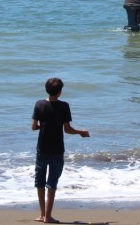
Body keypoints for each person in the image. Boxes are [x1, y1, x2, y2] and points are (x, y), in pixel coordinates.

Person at [31, 77, 90, 223]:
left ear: (46, 89)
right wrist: (81, 132)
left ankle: (42, 215)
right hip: (57, 149)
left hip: (42, 149)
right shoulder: (64, 106)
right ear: (60, 92)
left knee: (40, 181)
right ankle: (48, 216)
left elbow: (33, 127)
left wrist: (42, 126)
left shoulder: (39, 104)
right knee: (52, 182)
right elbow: (67, 129)